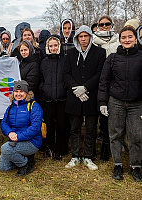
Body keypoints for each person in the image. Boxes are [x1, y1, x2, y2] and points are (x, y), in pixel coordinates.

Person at [98, 26, 142, 182]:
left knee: (136, 136)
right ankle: (117, 165)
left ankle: (136, 167)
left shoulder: (141, 57)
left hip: (136, 104)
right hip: (115, 102)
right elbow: (104, 81)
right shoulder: (113, 58)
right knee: (115, 135)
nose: (127, 40)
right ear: (120, 39)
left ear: (135, 39)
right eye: (124, 37)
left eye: (130, 37)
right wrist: (103, 102)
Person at [64, 25, 106, 170]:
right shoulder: (70, 53)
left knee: (90, 128)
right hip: (74, 96)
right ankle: (75, 155)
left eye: (85, 36)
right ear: (77, 38)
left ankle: (88, 156)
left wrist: (85, 87)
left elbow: (100, 74)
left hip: (91, 96)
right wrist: (76, 89)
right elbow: (66, 74)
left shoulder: (100, 52)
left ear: (90, 36)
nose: (83, 39)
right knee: (74, 128)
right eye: (80, 37)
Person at [0, 80, 43, 176]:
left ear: (27, 93)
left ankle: (26, 164)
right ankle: (24, 158)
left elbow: (35, 128)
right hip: (14, 139)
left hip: (31, 141)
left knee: (5, 148)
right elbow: (4, 124)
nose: (18, 94)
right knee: (3, 167)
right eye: (16, 91)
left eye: (21, 91)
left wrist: (19, 137)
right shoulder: (11, 106)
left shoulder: (34, 106)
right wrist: (10, 133)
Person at [92, 15, 120, 162]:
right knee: (97, 114)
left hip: (114, 83)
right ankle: (98, 145)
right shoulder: (94, 41)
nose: (104, 26)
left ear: (111, 25)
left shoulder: (118, 41)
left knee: (109, 116)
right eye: (101, 24)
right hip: (96, 82)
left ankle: (107, 146)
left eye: (107, 24)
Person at [39, 35, 66, 160]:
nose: (53, 48)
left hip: (61, 98)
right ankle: (49, 147)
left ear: (59, 46)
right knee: (49, 124)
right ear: (47, 47)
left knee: (62, 125)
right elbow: (41, 78)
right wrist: (43, 89)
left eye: (55, 45)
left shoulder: (64, 60)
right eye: (51, 46)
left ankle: (60, 149)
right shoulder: (44, 61)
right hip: (48, 98)